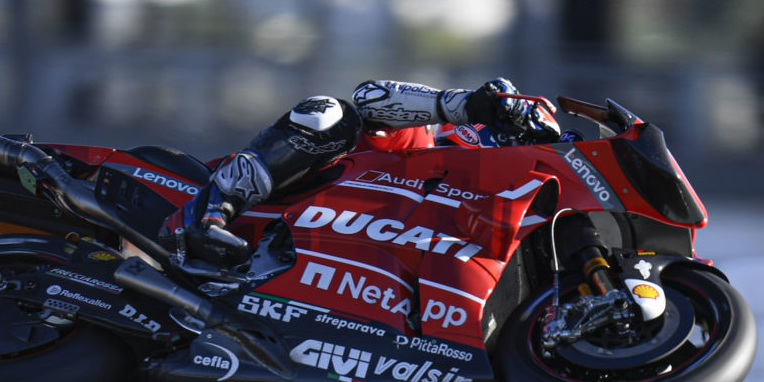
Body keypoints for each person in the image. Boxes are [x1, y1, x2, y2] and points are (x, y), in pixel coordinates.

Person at [186, 77, 535, 233]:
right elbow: (370, 96)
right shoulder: (418, 141)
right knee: (334, 114)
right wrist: (465, 105)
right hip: (268, 201)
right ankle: (211, 210)